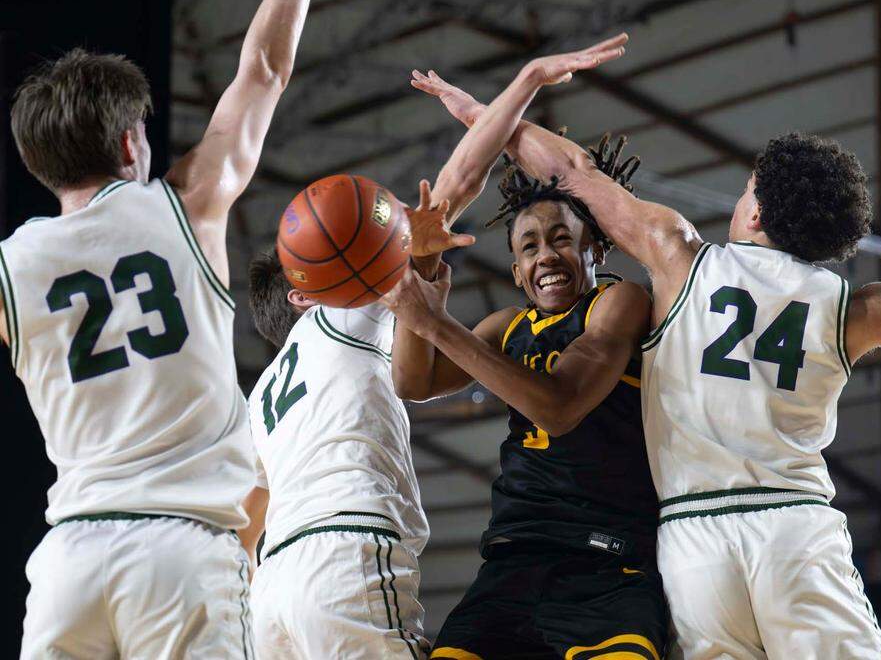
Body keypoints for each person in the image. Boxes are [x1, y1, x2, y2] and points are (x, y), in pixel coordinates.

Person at [414, 71, 881, 658]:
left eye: (746, 189)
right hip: (792, 529)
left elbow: (569, 171)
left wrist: (487, 117)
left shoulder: (679, 256)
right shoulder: (852, 306)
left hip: (694, 545)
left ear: (757, 214)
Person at [0, 0, 346, 656]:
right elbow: (264, 70)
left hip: (68, 564)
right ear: (131, 141)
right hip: (182, 552)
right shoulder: (187, 204)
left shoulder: (11, 268)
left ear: (37, 162)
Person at [241, 36, 630, 659]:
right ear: (308, 294)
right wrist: (525, 79)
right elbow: (457, 183)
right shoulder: (348, 307)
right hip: (345, 550)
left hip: (271, 593)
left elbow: (245, 520)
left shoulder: (262, 398)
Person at [383, 135, 670, 657]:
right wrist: (421, 268)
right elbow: (412, 382)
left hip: (605, 559)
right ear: (516, 272)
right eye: (529, 247)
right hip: (513, 560)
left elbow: (561, 407)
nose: (547, 256)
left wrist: (437, 324)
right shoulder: (506, 327)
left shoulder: (617, 302)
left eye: (562, 238)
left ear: (596, 249)